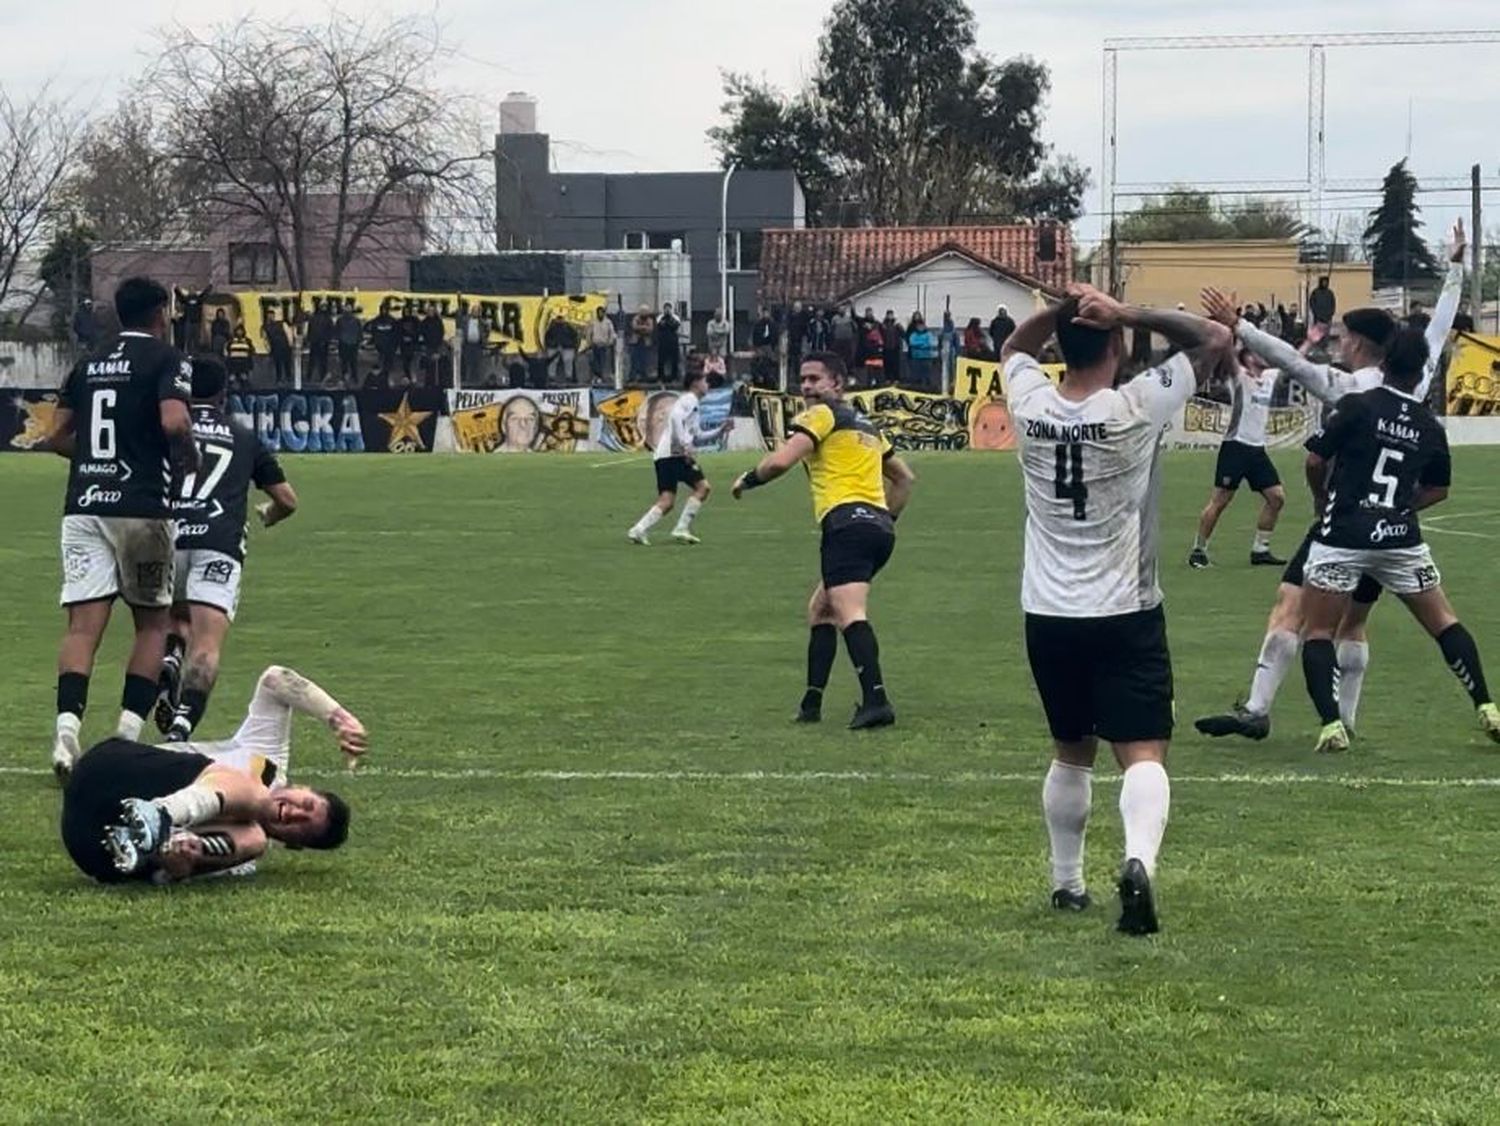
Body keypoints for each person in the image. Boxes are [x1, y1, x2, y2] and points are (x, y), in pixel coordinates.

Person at [1001, 283, 1231, 935]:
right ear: (1118, 343)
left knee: (1070, 750)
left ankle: (1066, 883)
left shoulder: (1029, 400)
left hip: (1047, 612)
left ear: (1062, 346)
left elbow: (1013, 345)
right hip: (1123, 609)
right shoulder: (1135, 405)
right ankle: (1137, 863)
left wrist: (1066, 304)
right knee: (1143, 752)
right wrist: (1124, 308)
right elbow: (1215, 339)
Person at [1194, 220, 1467, 742]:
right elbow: (1439, 330)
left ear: (1360, 343)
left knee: (1292, 608)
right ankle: (1341, 721)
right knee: (1353, 624)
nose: (1337, 342)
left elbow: (1290, 362)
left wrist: (1240, 327)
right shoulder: (1416, 377)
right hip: (1393, 528)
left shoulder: (1346, 387)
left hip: (1342, 523)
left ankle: (1260, 710)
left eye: (1343, 336)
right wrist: (1453, 267)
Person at [1300, 328, 1500, 751]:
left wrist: (1322, 499)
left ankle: (1332, 726)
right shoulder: (1429, 426)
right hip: (1399, 541)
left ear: (1384, 365)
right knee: (1445, 623)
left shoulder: (1358, 407)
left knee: (1318, 630)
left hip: (1344, 535)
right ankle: (1486, 705)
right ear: (1421, 371)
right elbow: (1439, 489)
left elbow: (1315, 458)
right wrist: (1402, 509)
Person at [44, 277, 200, 782]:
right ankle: (126, 740)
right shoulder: (167, 359)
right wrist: (188, 453)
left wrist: (95, 463)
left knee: (82, 626)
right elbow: (175, 422)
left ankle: (67, 731)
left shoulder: (88, 362)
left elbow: (55, 436)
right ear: (160, 312)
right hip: (141, 506)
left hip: (84, 505)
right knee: (153, 623)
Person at [731, 352, 916, 730]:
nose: (808, 386)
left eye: (816, 378)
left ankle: (876, 700)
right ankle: (811, 704)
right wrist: (886, 520)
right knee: (821, 609)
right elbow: (905, 480)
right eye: (804, 379)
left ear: (838, 384)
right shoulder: (867, 426)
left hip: (846, 524)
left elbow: (781, 461)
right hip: (876, 529)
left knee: (849, 612)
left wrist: (748, 479)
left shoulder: (820, 415)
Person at [62, 665, 365, 884]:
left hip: (96, 847)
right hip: (112, 773)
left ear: (294, 845)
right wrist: (340, 719)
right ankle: (160, 814)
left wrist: (181, 860)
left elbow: (168, 875)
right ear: (302, 787)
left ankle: (150, 832)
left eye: (303, 827)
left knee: (254, 839)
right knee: (255, 791)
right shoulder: (268, 763)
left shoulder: (242, 854)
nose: (294, 814)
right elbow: (275, 679)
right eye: (306, 805)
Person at [154, 355, 297, 741]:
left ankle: (169, 657)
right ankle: (182, 726)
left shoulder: (164, 428)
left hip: (165, 535)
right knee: (207, 641)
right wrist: (268, 514)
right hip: (218, 543)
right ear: (223, 393)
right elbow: (287, 499)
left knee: (174, 617)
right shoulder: (243, 435)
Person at [1187, 347, 1286, 568]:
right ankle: (1198, 551)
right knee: (1221, 500)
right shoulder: (1239, 375)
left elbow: (1292, 360)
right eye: (1258, 352)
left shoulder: (1269, 377)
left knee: (1276, 498)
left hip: (1257, 450)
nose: (1265, 355)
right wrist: (1230, 327)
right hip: (1236, 446)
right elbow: (1225, 351)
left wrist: (1310, 340)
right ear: (1248, 357)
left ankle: (1260, 550)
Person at [627, 369, 733, 546]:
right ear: (695, 384)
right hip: (673, 455)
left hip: (667, 456)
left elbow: (697, 435)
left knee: (667, 501)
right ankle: (681, 528)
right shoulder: (689, 400)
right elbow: (675, 418)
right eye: (705, 381)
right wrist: (685, 445)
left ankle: (638, 529)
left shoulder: (693, 404)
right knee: (703, 487)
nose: (708, 385)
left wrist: (720, 430)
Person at [367, 304, 399, 386]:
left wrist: (394, 345)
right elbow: (373, 331)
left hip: (390, 347)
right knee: (381, 365)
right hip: (380, 347)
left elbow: (396, 334)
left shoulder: (393, 321)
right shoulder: (376, 321)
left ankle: (388, 380)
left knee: (388, 366)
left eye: (385, 310)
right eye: (382, 310)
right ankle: (379, 381)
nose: (384, 311)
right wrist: (375, 342)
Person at [905, 314, 938, 389]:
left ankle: (928, 387)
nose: (920, 327)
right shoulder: (913, 334)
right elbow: (912, 342)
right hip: (916, 357)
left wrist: (920, 345)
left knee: (927, 374)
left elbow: (931, 343)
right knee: (917, 374)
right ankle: (917, 387)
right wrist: (923, 344)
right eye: (919, 326)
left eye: (922, 326)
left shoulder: (928, 334)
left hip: (926, 357)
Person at [306, 298, 334, 385]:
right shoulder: (327, 318)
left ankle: (309, 376)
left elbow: (310, 330)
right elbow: (331, 331)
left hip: (316, 341)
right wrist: (328, 340)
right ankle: (321, 376)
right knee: (322, 361)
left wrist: (309, 339)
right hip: (322, 342)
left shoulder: (313, 317)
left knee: (313, 361)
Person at [588, 306, 617, 385]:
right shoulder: (593, 322)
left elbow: (612, 334)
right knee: (595, 362)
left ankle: (605, 377)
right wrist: (590, 343)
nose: (600, 314)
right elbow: (589, 333)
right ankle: (597, 377)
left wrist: (609, 343)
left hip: (605, 346)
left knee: (604, 362)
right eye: (599, 312)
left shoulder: (608, 322)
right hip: (595, 345)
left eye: (602, 312)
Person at [336, 300, 363, 385]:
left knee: (353, 363)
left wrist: (359, 341)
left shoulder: (356, 320)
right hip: (343, 344)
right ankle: (344, 377)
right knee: (344, 362)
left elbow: (359, 332)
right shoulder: (340, 320)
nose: (347, 310)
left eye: (349, 308)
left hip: (353, 344)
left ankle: (354, 377)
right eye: (346, 308)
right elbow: (337, 331)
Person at [262, 313, 293, 386]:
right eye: (269, 316)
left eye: (272, 316)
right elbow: (265, 339)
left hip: (284, 346)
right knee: (277, 363)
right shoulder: (266, 327)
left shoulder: (282, 324)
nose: (271, 317)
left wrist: (290, 343)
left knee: (287, 362)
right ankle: (279, 378)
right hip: (275, 347)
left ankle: (288, 377)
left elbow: (288, 333)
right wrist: (268, 348)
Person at [224, 325, 256, 389]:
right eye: (238, 331)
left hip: (244, 362)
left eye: (241, 331)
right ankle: (230, 390)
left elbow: (252, 350)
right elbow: (226, 351)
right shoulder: (231, 341)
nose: (239, 332)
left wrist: (250, 360)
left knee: (244, 378)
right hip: (233, 362)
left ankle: (245, 390)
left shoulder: (247, 341)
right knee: (232, 378)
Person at [630, 305, 655, 381]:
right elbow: (634, 327)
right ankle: (633, 376)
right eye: (642, 312)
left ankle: (644, 376)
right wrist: (644, 327)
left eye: (645, 312)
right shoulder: (635, 318)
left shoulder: (650, 320)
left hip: (645, 343)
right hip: (636, 342)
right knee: (634, 359)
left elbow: (650, 329)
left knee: (644, 360)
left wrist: (640, 328)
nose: (644, 313)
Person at [398, 304, 421, 384]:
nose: (406, 313)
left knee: (413, 363)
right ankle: (407, 378)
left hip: (413, 345)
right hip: (403, 346)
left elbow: (418, 332)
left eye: (408, 311)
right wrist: (402, 339)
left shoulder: (416, 321)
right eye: (405, 311)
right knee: (405, 363)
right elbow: (398, 333)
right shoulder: (400, 321)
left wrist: (412, 338)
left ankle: (414, 378)